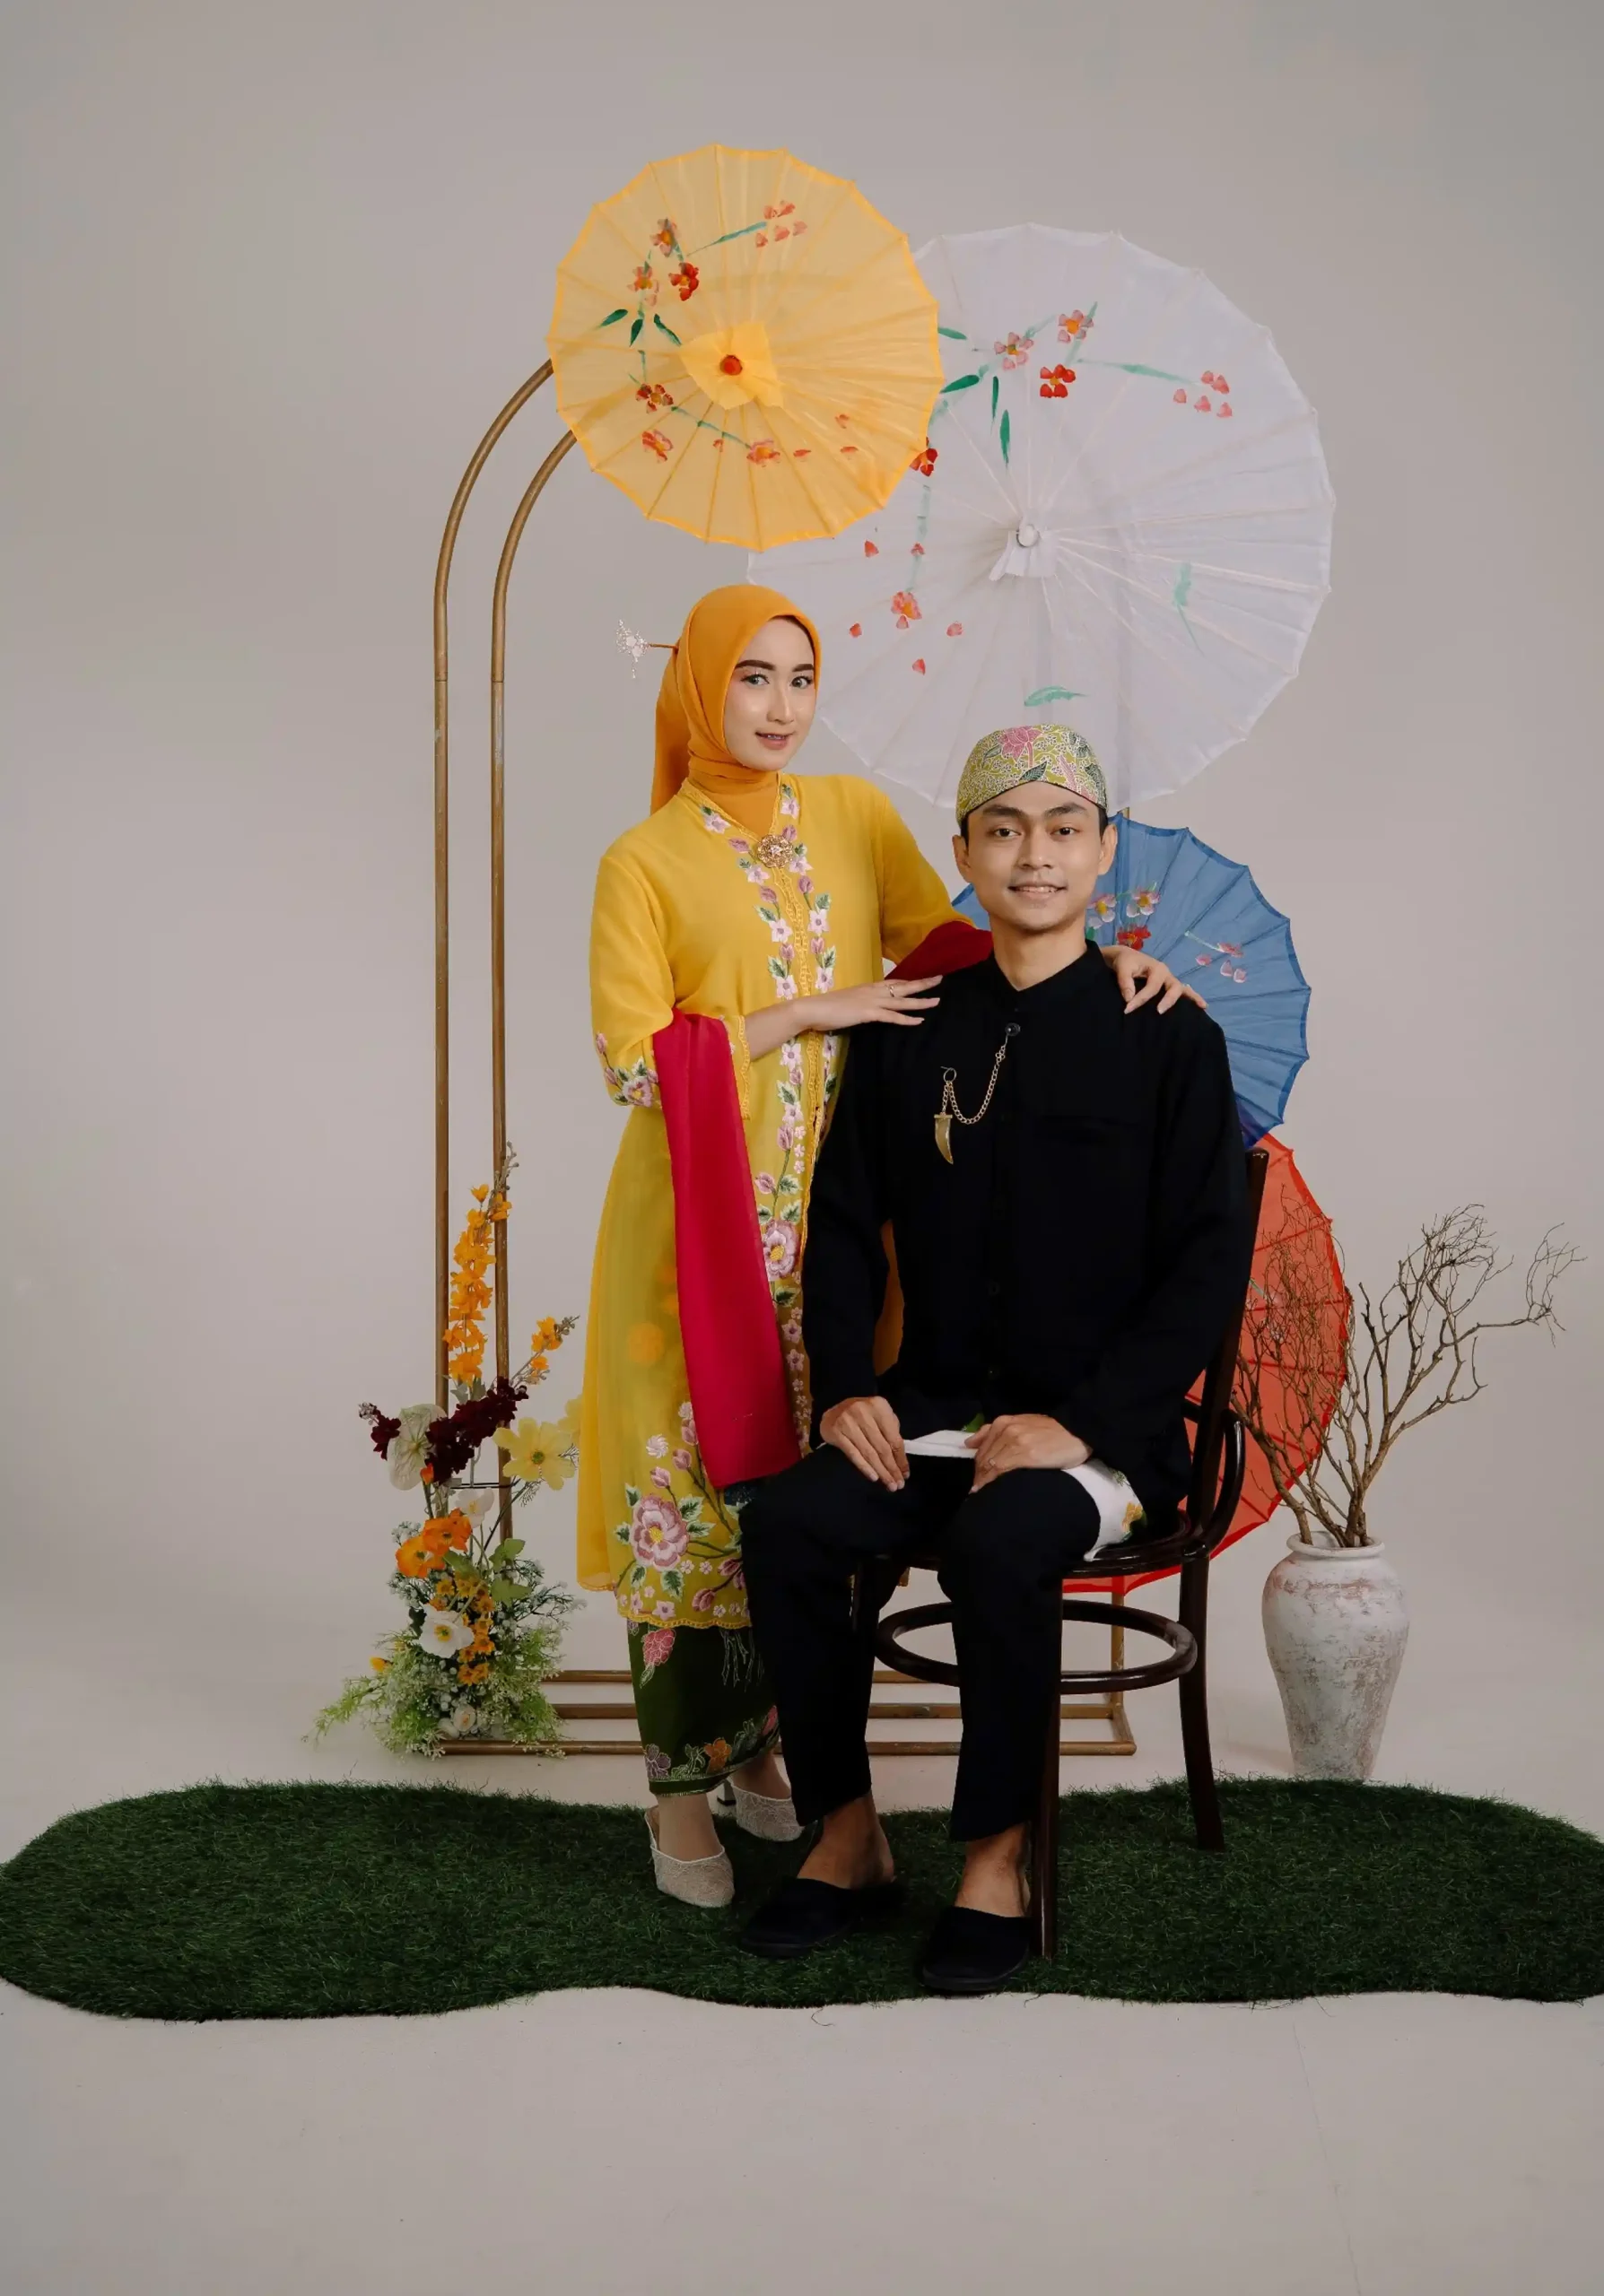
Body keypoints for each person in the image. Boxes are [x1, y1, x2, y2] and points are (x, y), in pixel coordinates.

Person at [580, 597, 1196, 1907]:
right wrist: (816, 1008)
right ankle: (692, 1795)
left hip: (848, 1208)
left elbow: (969, 945)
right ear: (696, 687)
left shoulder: (854, 816)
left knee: (796, 1495)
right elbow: (635, 1060)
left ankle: (794, 1775)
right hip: (712, 1225)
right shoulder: (642, 859)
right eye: (751, 677)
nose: (780, 705)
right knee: (691, 1506)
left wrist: (1123, 974)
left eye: (801, 677)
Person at [739, 723, 1252, 1992]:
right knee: (789, 1525)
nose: (1036, 855)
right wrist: (848, 1389)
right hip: (930, 1411)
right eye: (1005, 829)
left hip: (1103, 1437)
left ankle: (994, 1858)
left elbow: (1207, 1265)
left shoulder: (1167, 1037)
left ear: (1104, 850)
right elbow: (844, 1226)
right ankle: (847, 1833)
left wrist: (1082, 1425)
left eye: (1064, 828)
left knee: (1001, 1536)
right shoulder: (911, 1028)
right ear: (965, 849)